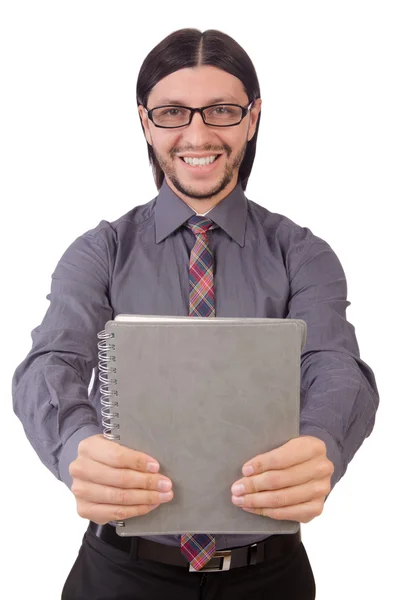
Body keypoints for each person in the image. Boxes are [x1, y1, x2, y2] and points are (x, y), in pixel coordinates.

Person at [12, 27, 379, 600]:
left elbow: (334, 364)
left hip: (270, 577)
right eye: (172, 113)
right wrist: (74, 447)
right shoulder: (100, 251)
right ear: (144, 122)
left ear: (253, 119)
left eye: (222, 110)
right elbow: (51, 361)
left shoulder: (302, 253)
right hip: (120, 574)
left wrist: (323, 443)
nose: (197, 133)